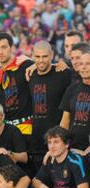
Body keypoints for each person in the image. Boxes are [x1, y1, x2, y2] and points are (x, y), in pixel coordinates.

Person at [28, 41, 71, 170]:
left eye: (45, 56)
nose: (41, 60)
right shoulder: (30, 75)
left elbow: (83, 69)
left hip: (58, 142)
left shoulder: (62, 73)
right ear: (33, 56)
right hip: (36, 143)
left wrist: (67, 63)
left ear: (51, 55)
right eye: (37, 56)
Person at [0, 32, 34, 136]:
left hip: (25, 126)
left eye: (4, 47)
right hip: (5, 127)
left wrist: (34, 64)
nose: (0, 52)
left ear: (11, 47)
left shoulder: (25, 64)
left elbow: (45, 66)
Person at [59, 51, 90, 155]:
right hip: (72, 149)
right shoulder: (72, 89)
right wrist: (61, 146)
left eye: (88, 64)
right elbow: (64, 122)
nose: (84, 67)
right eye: (81, 64)